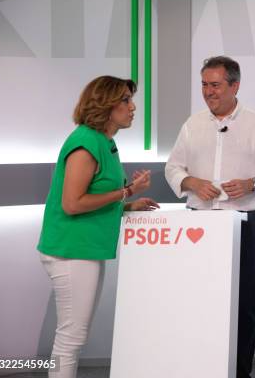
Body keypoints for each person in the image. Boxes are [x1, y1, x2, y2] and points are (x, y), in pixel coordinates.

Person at [165, 56, 255, 378]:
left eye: (215, 85)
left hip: (243, 223)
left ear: (235, 85)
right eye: (204, 84)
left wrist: (252, 183)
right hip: (200, 224)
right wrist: (191, 182)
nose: (208, 92)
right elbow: (173, 168)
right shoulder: (192, 125)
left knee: (244, 306)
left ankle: (240, 372)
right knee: (199, 302)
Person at [37, 76, 159, 378]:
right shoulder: (86, 142)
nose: (133, 108)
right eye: (126, 101)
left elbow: (94, 199)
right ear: (105, 104)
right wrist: (127, 192)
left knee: (73, 337)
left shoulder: (104, 142)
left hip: (84, 249)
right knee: (70, 339)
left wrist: (128, 206)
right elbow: (73, 203)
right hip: (71, 250)